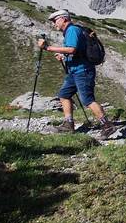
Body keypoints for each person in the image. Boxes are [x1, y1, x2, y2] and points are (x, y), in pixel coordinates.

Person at [37, 9, 115, 139]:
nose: (53, 24)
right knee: (64, 95)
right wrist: (63, 55)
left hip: (82, 71)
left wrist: (48, 48)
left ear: (64, 19)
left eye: (55, 20)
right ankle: (69, 124)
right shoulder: (70, 31)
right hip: (74, 71)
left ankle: (107, 125)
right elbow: (74, 50)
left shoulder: (72, 30)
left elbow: (72, 49)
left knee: (87, 100)